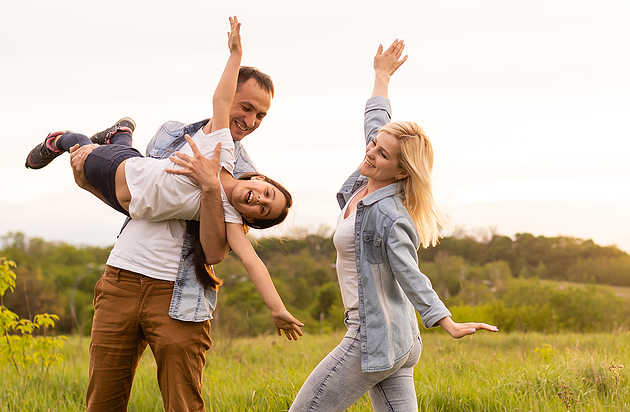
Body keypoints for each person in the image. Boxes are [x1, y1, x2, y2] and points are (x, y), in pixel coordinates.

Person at [41, 17, 303, 412]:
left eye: (261, 116)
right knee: (102, 403)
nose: (250, 122)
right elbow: (145, 196)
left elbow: (226, 254)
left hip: (177, 296)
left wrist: (278, 308)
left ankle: (103, 138)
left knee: (184, 405)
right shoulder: (193, 139)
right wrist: (235, 54)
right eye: (246, 107)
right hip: (121, 274)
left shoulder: (234, 194)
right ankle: (82, 139)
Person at [288, 39, 498, 412]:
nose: (370, 152)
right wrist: (381, 76)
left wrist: (445, 321)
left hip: (371, 337)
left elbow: (409, 272)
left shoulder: (390, 215)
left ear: (401, 170)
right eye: (373, 145)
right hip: (398, 337)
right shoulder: (368, 176)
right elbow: (377, 124)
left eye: (382, 153)